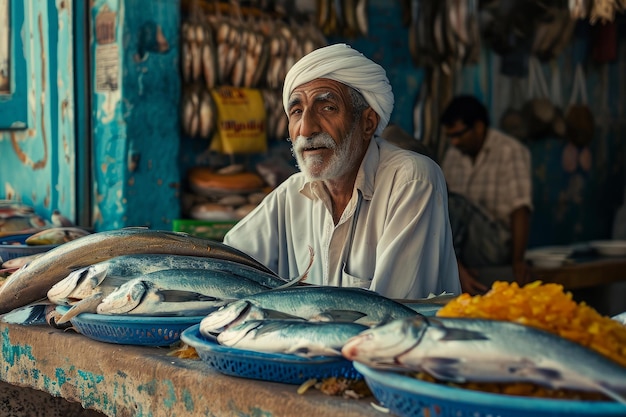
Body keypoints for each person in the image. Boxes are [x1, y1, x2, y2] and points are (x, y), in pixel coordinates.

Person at [223, 43, 461, 299]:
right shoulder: (292, 194)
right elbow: (227, 269)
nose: (306, 129)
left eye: (327, 108)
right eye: (296, 112)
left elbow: (391, 314)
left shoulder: (412, 180)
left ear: (367, 123)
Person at [440, 95, 533, 294]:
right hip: (465, 247)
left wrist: (518, 261)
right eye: (451, 137)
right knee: (441, 201)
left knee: (453, 202)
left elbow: (520, 209)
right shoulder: (453, 154)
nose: (454, 142)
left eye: (459, 134)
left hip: (496, 246)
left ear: (479, 127)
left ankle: (452, 263)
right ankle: (455, 264)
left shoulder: (510, 151)